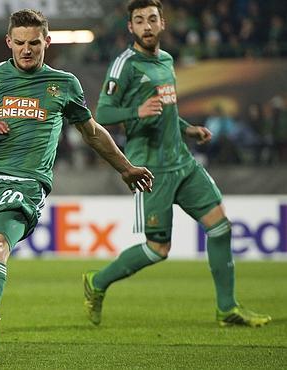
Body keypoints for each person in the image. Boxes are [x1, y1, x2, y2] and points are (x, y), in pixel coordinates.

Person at [0, 9, 154, 369]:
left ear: (46, 42)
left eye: (34, 43)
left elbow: (92, 132)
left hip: (24, 184)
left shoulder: (64, 84)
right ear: (9, 42)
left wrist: (126, 167)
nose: (26, 50)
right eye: (19, 43)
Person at [85, 0, 271, 328]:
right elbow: (103, 114)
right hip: (149, 169)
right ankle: (97, 282)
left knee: (221, 228)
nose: (146, 25)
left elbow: (166, 109)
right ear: (130, 27)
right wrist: (135, 113)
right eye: (139, 20)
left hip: (182, 162)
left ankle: (227, 309)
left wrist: (188, 129)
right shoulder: (124, 65)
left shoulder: (168, 60)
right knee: (159, 249)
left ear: (162, 24)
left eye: (152, 19)